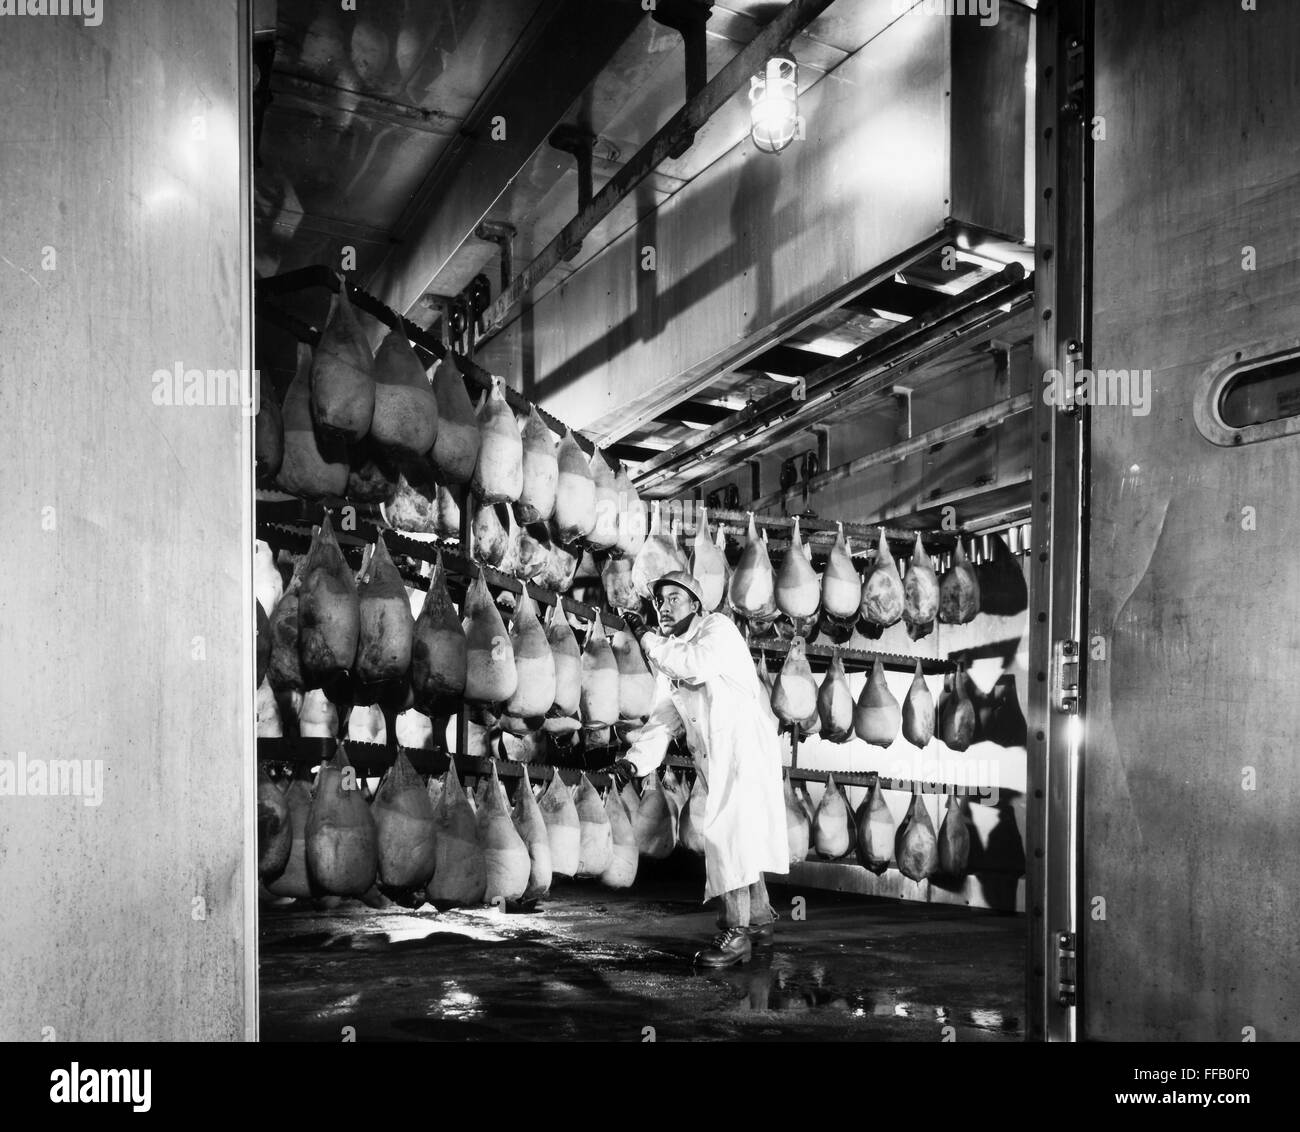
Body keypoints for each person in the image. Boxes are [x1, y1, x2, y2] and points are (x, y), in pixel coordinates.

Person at [616, 570, 789, 968]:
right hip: (717, 757)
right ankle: (759, 921)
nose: (664, 606)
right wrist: (634, 761)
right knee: (737, 837)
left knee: (727, 836)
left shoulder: (717, 630)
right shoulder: (670, 653)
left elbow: (693, 665)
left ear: (696, 604)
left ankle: (737, 935)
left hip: (743, 752)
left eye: (675, 597)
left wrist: (645, 637)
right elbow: (664, 719)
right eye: (660, 600)